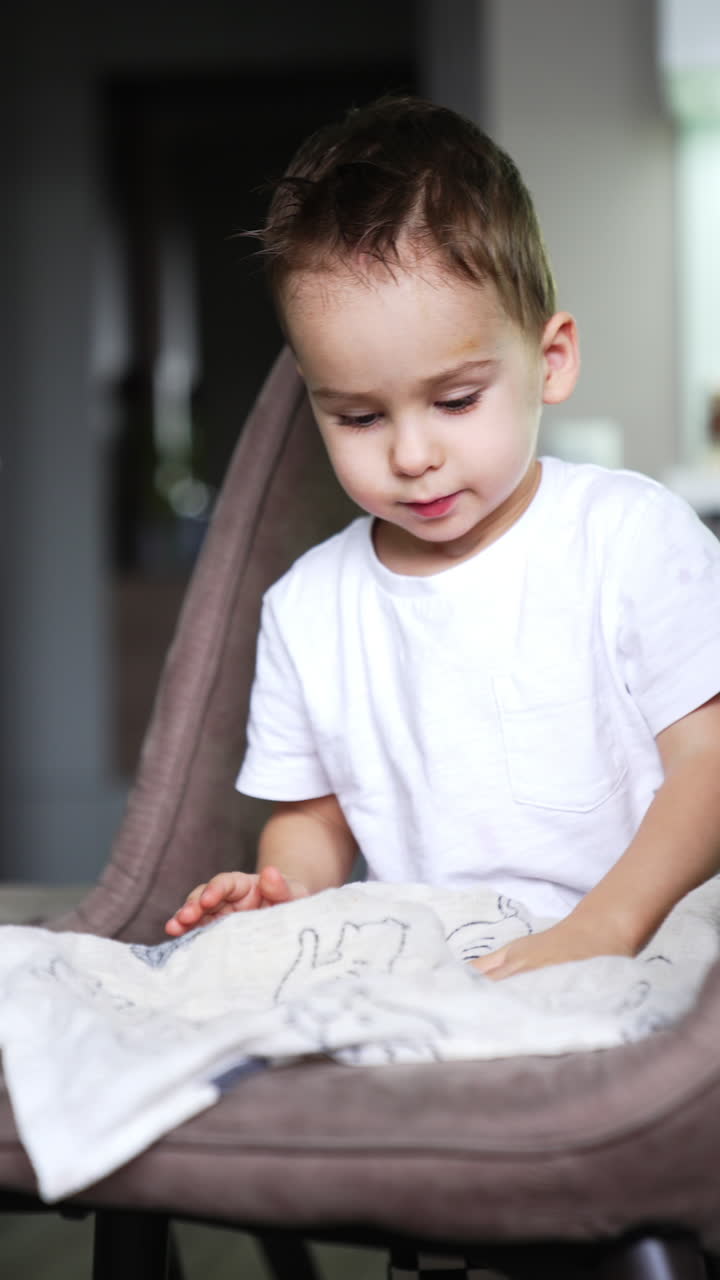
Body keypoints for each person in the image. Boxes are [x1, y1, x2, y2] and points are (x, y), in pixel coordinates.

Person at [165, 95, 720, 980]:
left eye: (456, 401)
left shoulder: (631, 538)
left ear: (552, 358)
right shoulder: (309, 607)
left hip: (638, 938)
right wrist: (283, 895)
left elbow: (710, 766)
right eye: (357, 416)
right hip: (435, 966)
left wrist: (602, 930)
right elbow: (315, 820)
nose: (413, 455)